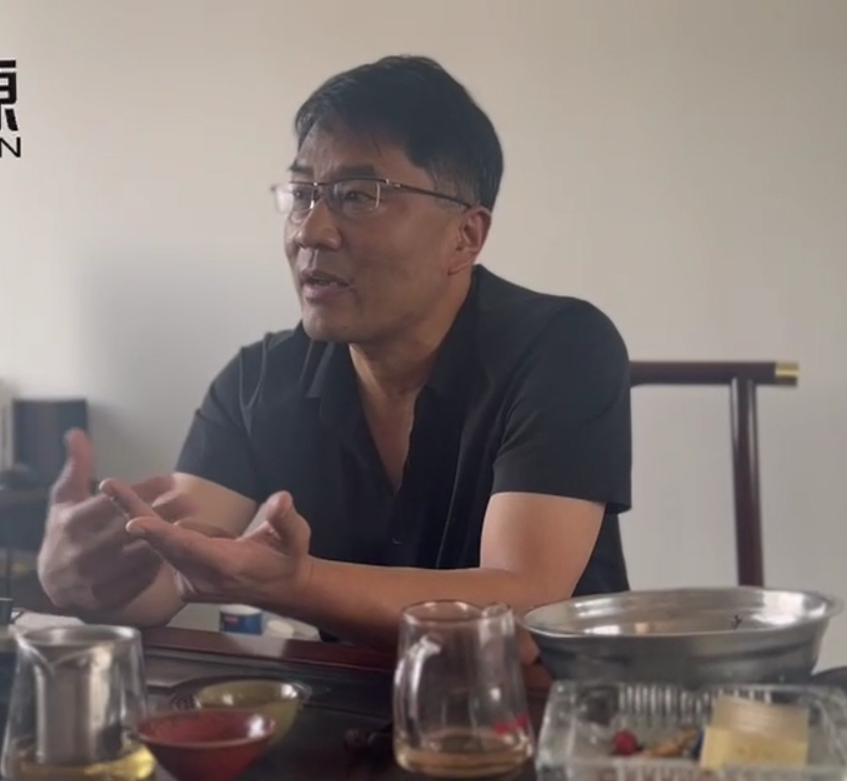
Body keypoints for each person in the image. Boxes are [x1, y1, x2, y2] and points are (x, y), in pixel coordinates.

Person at [36, 55, 632, 652]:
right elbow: (167, 579)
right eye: (302, 194)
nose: (310, 231)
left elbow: (524, 614)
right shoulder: (258, 382)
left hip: (554, 704)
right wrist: (84, 575)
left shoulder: (562, 348)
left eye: (358, 196)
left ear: (464, 237)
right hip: (353, 706)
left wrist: (299, 584)